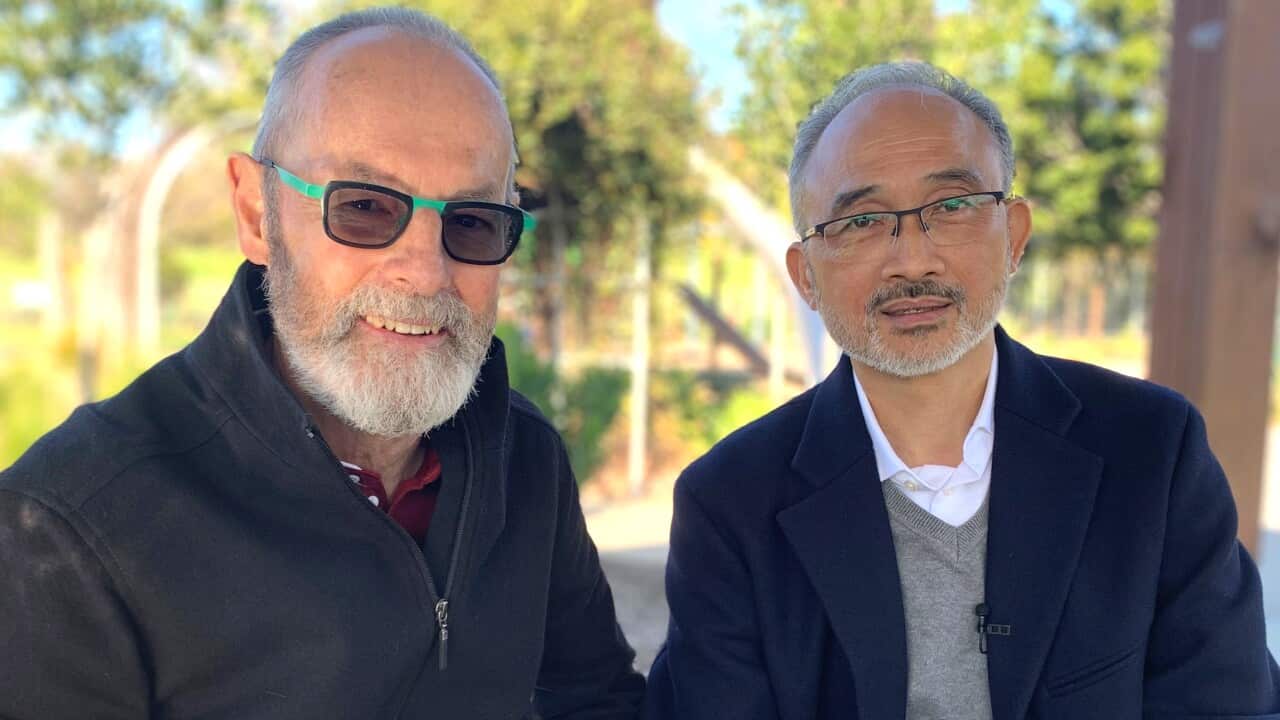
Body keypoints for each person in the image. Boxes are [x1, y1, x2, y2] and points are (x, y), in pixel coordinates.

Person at [0, 7, 643, 719]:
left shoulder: (523, 462)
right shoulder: (71, 528)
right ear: (255, 213)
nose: (425, 273)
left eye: (471, 221)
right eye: (364, 207)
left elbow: (593, 700)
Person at [644, 61, 1279, 719]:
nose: (912, 259)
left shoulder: (1150, 452)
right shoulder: (730, 502)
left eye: (951, 207)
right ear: (806, 276)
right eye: (861, 221)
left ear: (1015, 236)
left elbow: (1224, 699)